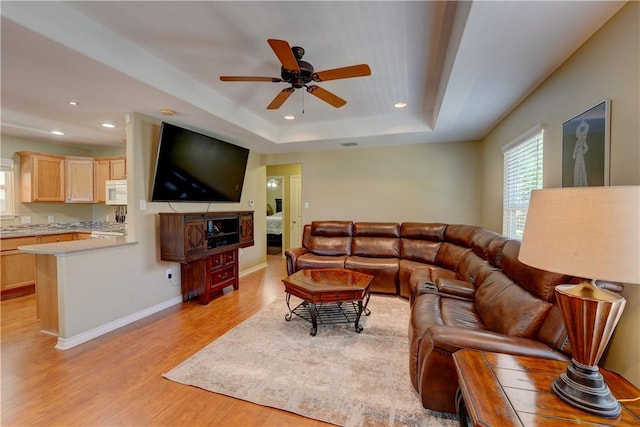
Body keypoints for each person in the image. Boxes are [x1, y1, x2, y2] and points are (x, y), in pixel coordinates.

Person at [573, 120, 589, 187]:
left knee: (581, 168)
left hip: (580, 156)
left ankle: (582, 183)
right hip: (577, 156)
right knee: (577, 168)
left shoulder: (583, 141)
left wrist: (582, 152)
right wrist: (574, 154)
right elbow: (575, 148)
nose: (579, 135)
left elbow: (586, 148)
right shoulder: (577, 141)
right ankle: (577, 182)